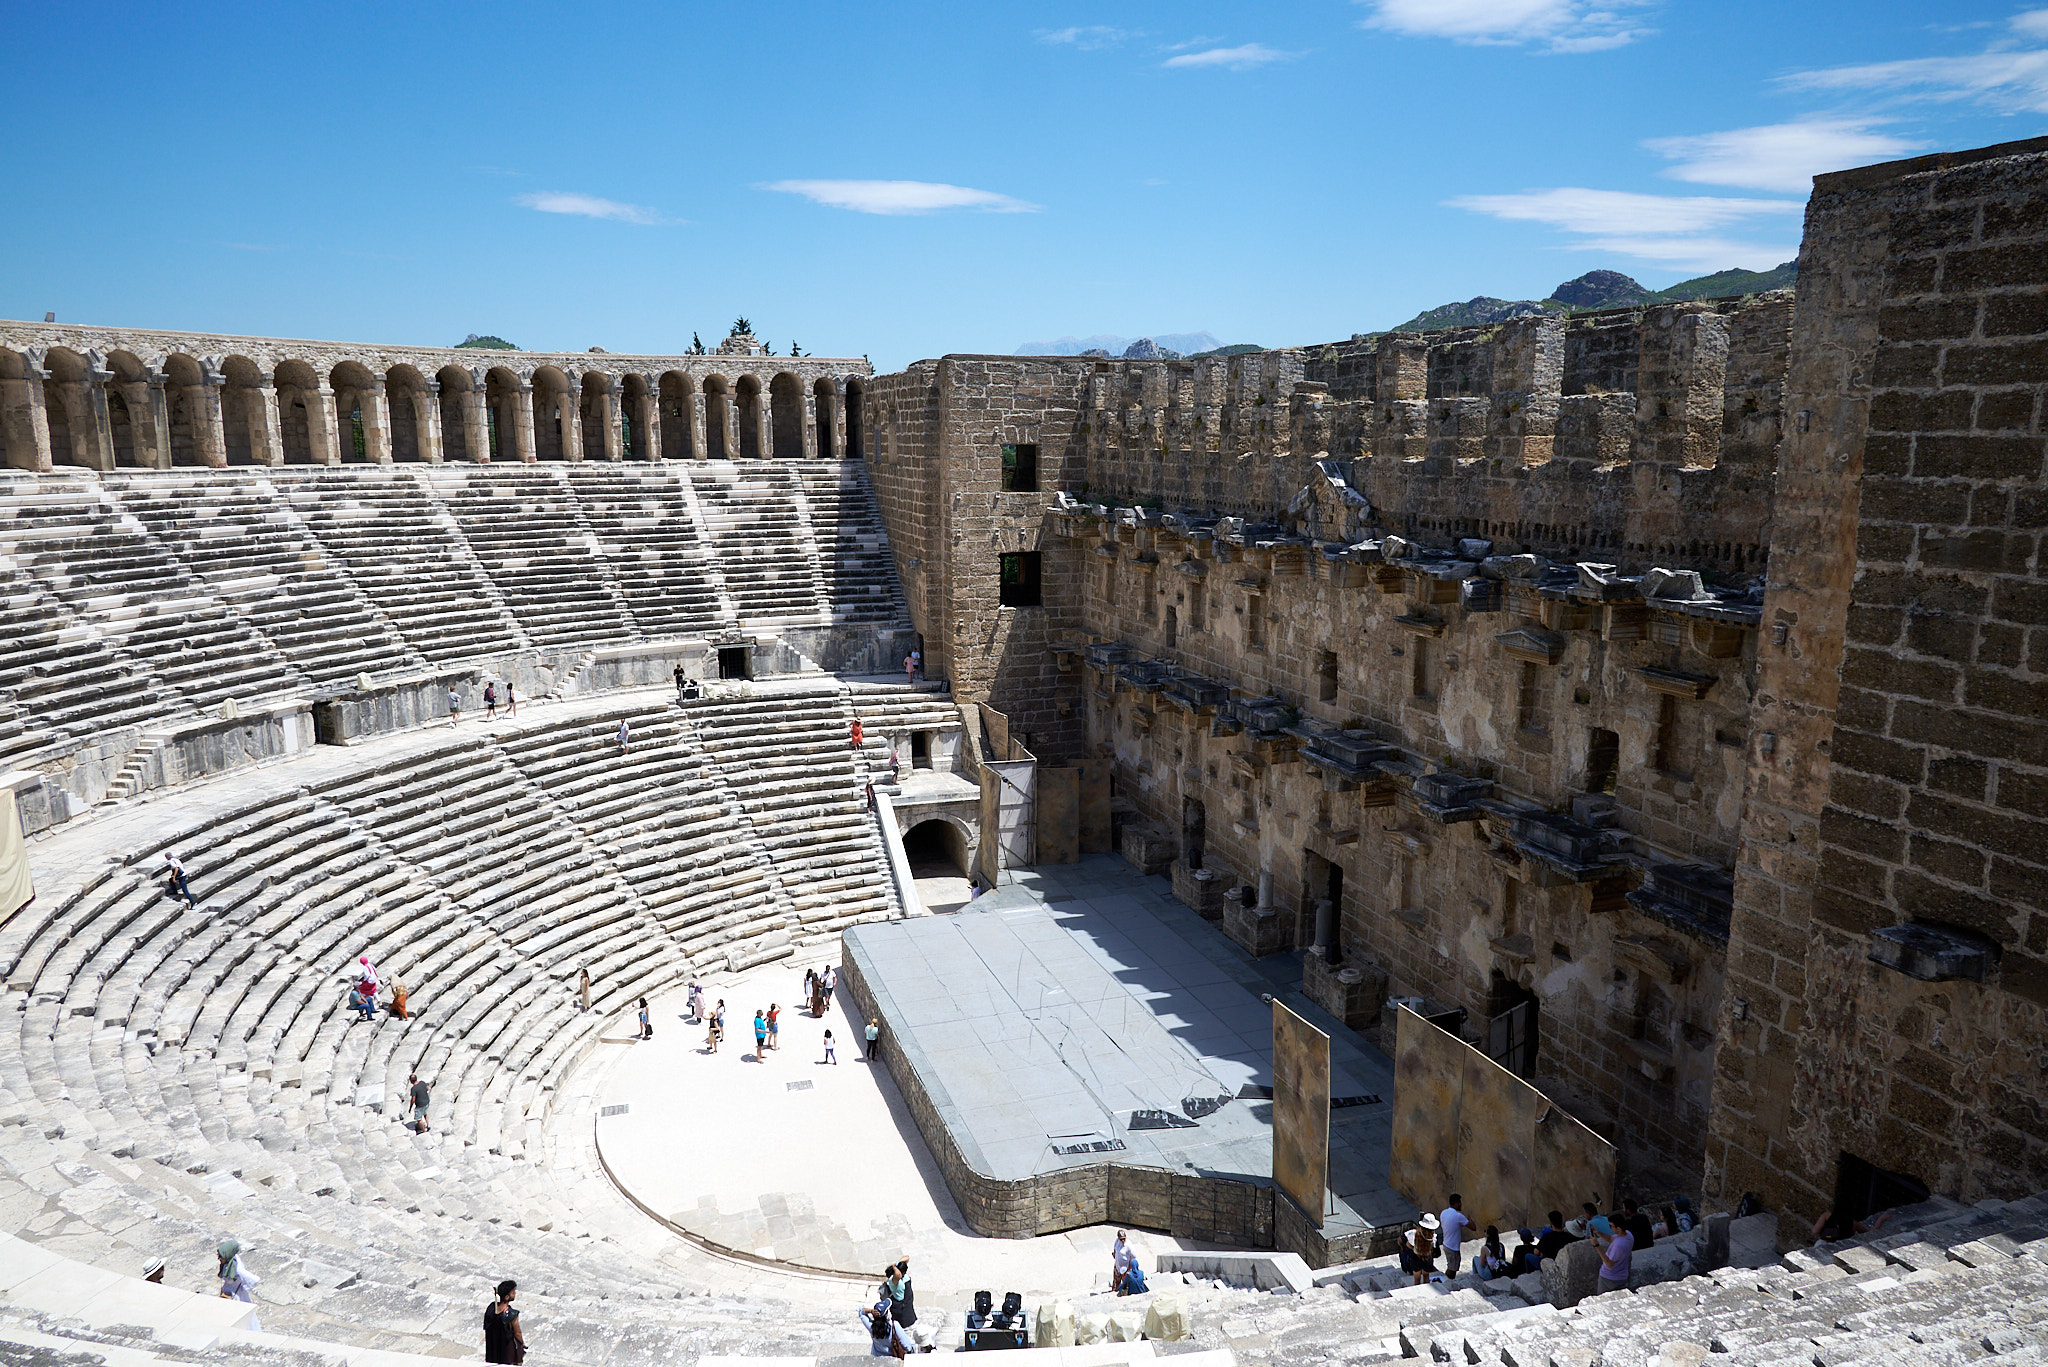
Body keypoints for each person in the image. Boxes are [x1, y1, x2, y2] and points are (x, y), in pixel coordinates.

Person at [217, 1239, 261, 1329]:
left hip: (237, 1296)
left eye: (221, 1256)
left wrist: (241, 1286)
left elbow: (254, 1280)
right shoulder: (229, 1260)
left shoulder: (237, 1270)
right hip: (227, 1293)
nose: (219, 1258)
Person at [484, 1279, 525, 1364]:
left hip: (492, 1352)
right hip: (506, 1353)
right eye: (513, 1293)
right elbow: (517, 1333)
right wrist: (522, 1344)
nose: (515, 1294)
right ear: (507, 1297)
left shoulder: (491, 1309)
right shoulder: (511, 1314)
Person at [1594, 1216, 1634, 1293]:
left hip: (1610, 1278)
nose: (1610, 1228)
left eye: (1611, 1226)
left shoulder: (1619, 1246)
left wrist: (1596, 1245)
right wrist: (1599, 1233)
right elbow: (1610, 1238)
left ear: (1618, 1228)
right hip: (1621, 1275)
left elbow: (1609, 1263)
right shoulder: (1628, 1235)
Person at [1439, 1195, 1474, 1277]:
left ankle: (1447, 1281)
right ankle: (1447, 1283)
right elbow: (1473, 1227)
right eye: (1459, 1203)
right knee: (1452, 1270)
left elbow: (1452, 1225)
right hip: (1453, 1248)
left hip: (1446, 1244)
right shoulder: (1458, 1216)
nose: (1461, 1204)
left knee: (1451, 1267)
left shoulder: (1443, 1213)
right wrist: (1470, 1220)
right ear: (1456, 1204)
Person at [1400, 1213, 1438, 1285]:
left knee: (1417, 1279)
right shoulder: (1434, 1237)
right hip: (1427, 1258)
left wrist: (1410, 1248)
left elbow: (1404, 1242)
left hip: (1415, 1258)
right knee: (1426, 1277)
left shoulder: (1413, 1233)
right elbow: (1435, 1250)